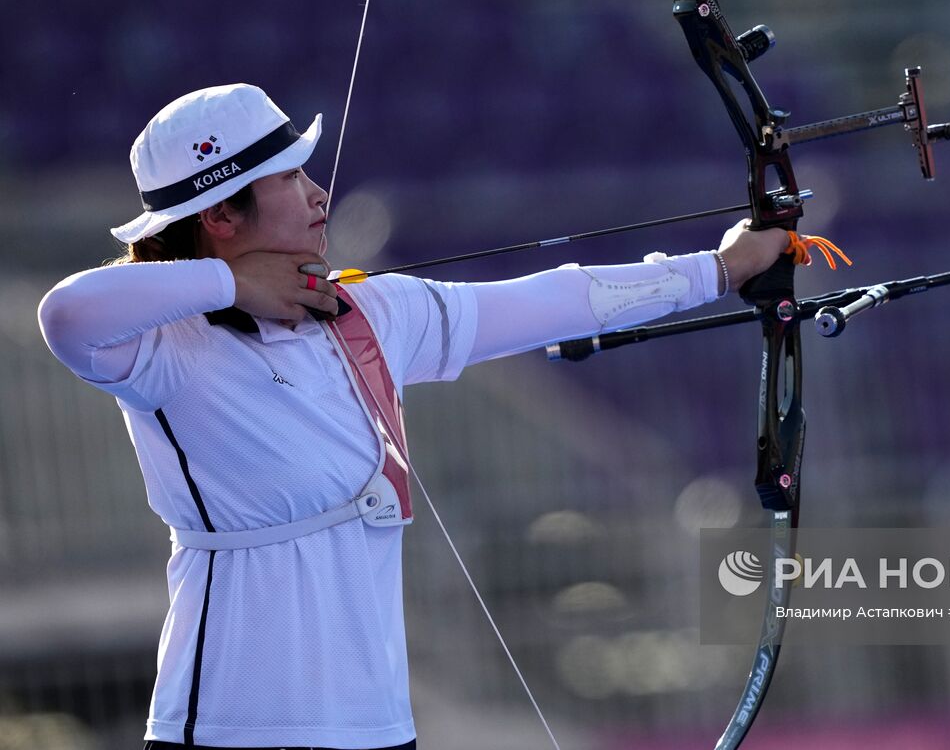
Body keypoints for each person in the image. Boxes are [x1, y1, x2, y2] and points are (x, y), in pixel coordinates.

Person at [37, 83, 790, 750]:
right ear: (223, 214)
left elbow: (556, 299)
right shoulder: (165, 347)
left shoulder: (373, 312)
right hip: (231, 724)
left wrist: (720, 269)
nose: (317, 194)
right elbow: (65, 313)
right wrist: (230, 284)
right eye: (289, 178)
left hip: (375, 726)